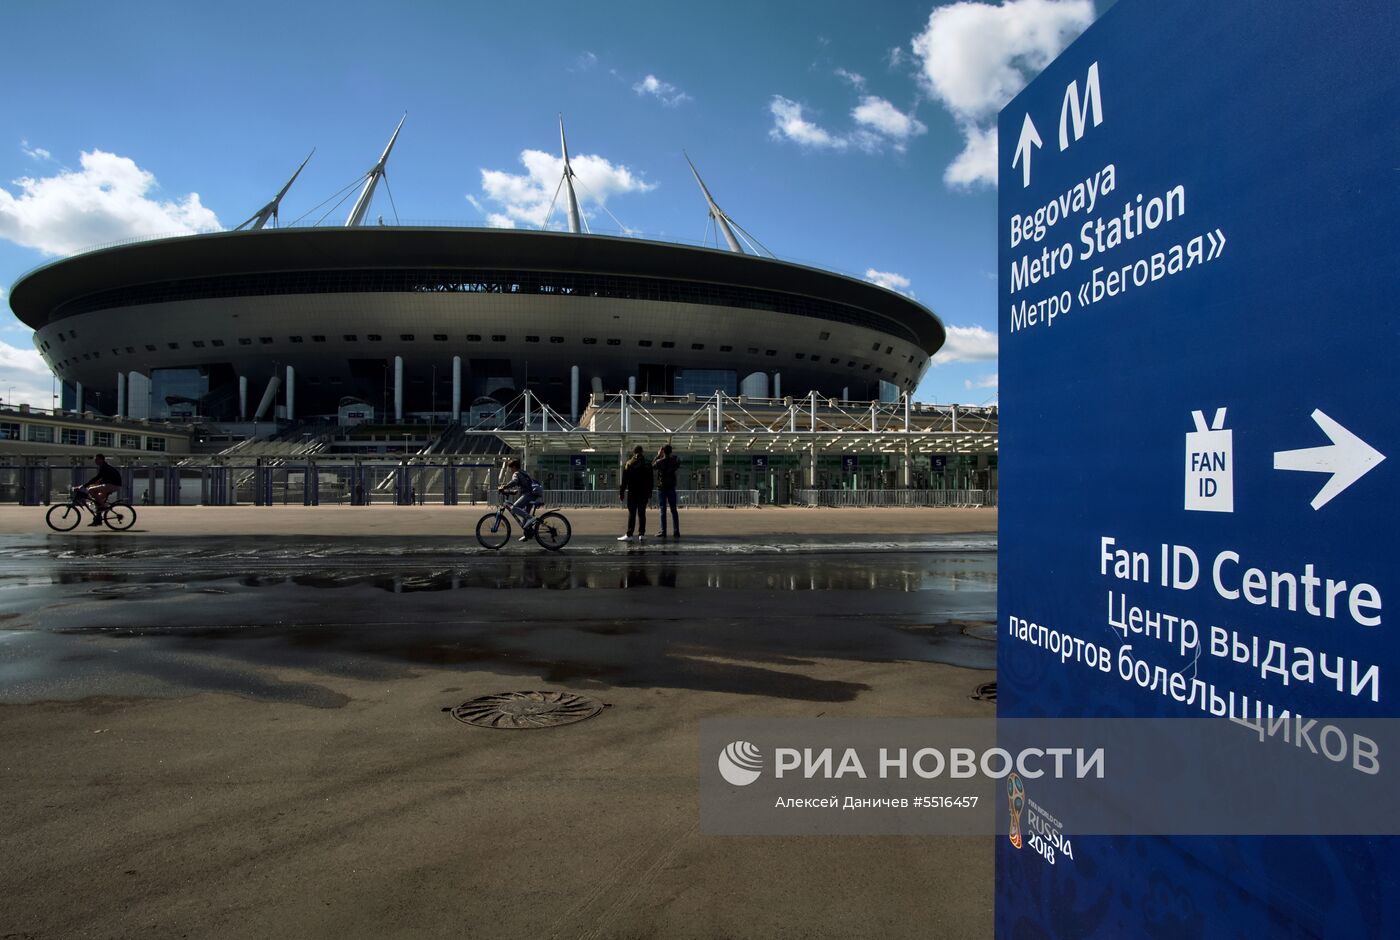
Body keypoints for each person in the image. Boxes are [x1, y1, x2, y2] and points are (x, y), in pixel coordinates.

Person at [497, 458, 543, 541]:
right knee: (524, 515)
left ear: (514, 467)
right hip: (533, 494)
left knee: (513, 508)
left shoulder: (516, 473)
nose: (510, 470)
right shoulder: (523, 472)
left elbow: (514, 481)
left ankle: (530, 518)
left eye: (511, 468)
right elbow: (524, 484)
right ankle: (527, 534)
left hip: (528, 494)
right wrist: (514, 491)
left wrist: (504, 487)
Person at [618, 445, 652, 542]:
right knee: (642, 513)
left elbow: (624, 480)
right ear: (642, 452)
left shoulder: (629, 463)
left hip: (633, 491)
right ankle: (641, 534)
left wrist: (622, 492)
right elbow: (650, 480)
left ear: (634, 452)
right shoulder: (647, 463)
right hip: (644, 492)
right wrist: (649, 492)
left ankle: (629, 534)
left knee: (632, 513)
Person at [83, 454, 122, 526]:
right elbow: (102, 479)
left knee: (91, 490)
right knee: (98, 500)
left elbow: (97, 478)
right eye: (95, 459)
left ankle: (104, 506)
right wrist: (94, 484)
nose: (95, 461)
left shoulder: (104, 467)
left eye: (97, 459)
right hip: (111, 484)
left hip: (113, 485)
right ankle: (98, 520)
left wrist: (85, 485)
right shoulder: (104, 467)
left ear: (102, 460)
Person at [653, 443, 680, 538]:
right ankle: (676, 531)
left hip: (662, 488)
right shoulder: (674, 461)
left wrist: (658, 455)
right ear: (671, 451)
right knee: (674, 510)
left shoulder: (660, 462)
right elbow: (677, 460)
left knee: (662, 510)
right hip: (671, 487)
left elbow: (652, 466)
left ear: (663, 451)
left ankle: (663, 531)